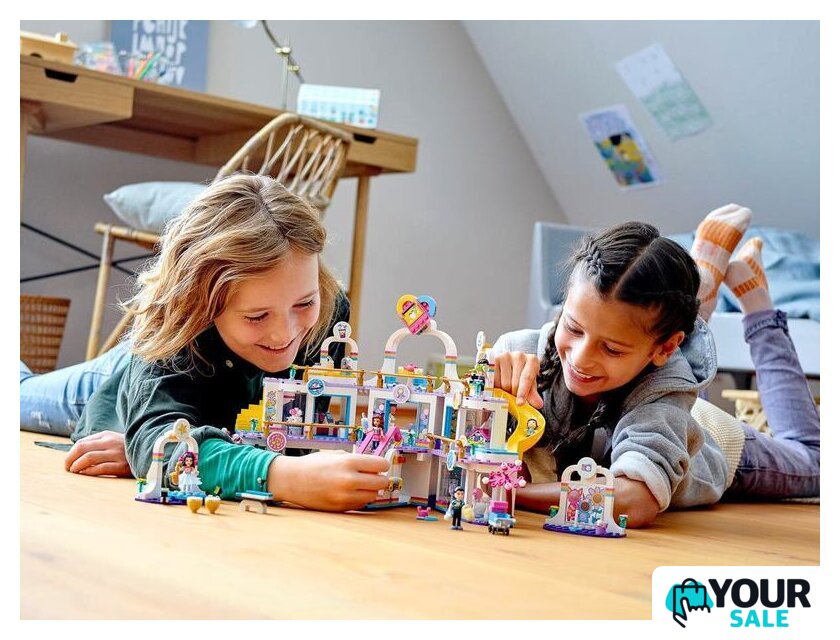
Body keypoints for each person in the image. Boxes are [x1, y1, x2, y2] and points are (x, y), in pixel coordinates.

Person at [20, 174, 390, 511]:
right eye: (257, 316)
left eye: (304, 304)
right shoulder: (175, 322)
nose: (285, 334)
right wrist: (150, 444)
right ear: (202, 305)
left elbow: (295, 432)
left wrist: (166, 450)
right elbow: (159, 441)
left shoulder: (329, 314)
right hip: (124, 382)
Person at [492, 205, 819, 528]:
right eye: (573, 328)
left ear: (665, 349)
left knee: (817, 463)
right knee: (656, 349)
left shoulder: (664, 396)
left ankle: (758, 303)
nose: (580, 359)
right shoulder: (518, 352)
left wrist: (514, 494)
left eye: (611, 348)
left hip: (712, 442)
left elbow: (634, 501)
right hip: (658, 398)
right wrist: (489, 391)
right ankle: (702, 278)